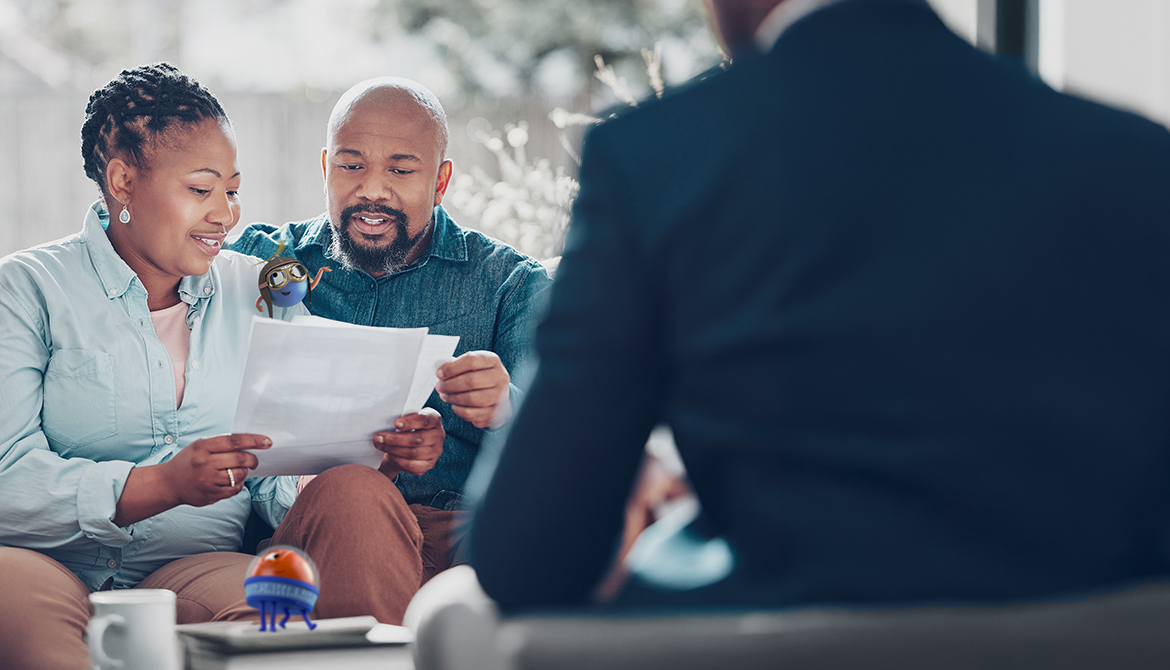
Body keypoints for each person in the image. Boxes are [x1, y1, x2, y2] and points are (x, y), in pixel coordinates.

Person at [468, 0, 1170, 611]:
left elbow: (525, 553)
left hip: (774, 635)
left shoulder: (656, 157)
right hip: (1082, 635)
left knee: (455, 612)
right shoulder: (1135, 157)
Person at [0, 63, 436, 669]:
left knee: (274, 626)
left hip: (196, 566)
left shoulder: (259, 291)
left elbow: (273, 473)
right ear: (123, 181)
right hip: (44, 563)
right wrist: (161, 486)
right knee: (19, 616)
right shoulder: (26, 288)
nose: (226, 216)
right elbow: (6, 475)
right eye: (201, 190)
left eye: (232, 191)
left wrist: (365, 450)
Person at [229, 79, 552, 618]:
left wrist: (507, 408)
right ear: (325, 167)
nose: (372, 190)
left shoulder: (509, 283)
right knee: (356, 494)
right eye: (352, 166)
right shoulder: (259, 262)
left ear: (441, 180)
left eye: (401, 170)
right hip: (323, 525)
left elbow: (572, 447)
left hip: (463, 538)